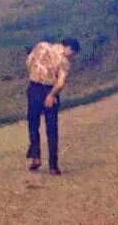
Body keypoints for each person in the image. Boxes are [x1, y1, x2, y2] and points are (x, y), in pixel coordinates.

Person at [26, 37, 81, 175]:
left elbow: (28, 62)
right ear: (68, 48)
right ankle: (53, 166)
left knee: (33, 125)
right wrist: (51, 96)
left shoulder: (41, 46)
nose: (72, 56)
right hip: (50, 90)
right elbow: (60, 83)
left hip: (34, 88)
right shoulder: (64, 62)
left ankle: (36, 157)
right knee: (51, 129)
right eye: (72, 53)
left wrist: (35, 74)